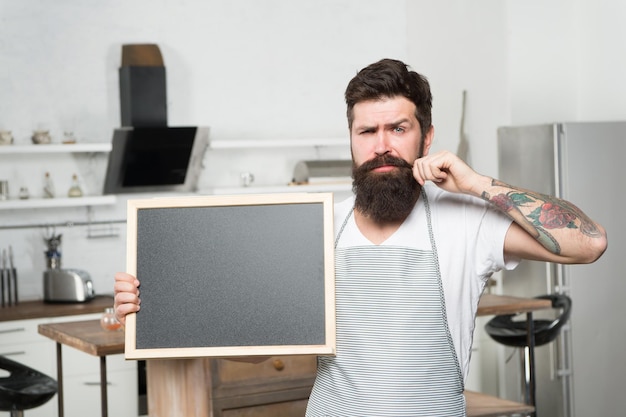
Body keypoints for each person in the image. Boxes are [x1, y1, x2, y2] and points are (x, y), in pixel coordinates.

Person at [114, 58, 607, 416]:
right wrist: (161, 305)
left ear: (426, 137)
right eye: (367, 132)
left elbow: (589, 244)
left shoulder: (466, 220)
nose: (382, 146)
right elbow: (262, 348)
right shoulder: (317, 225)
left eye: (398, 128)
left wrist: (478, 184)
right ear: (350, 138)